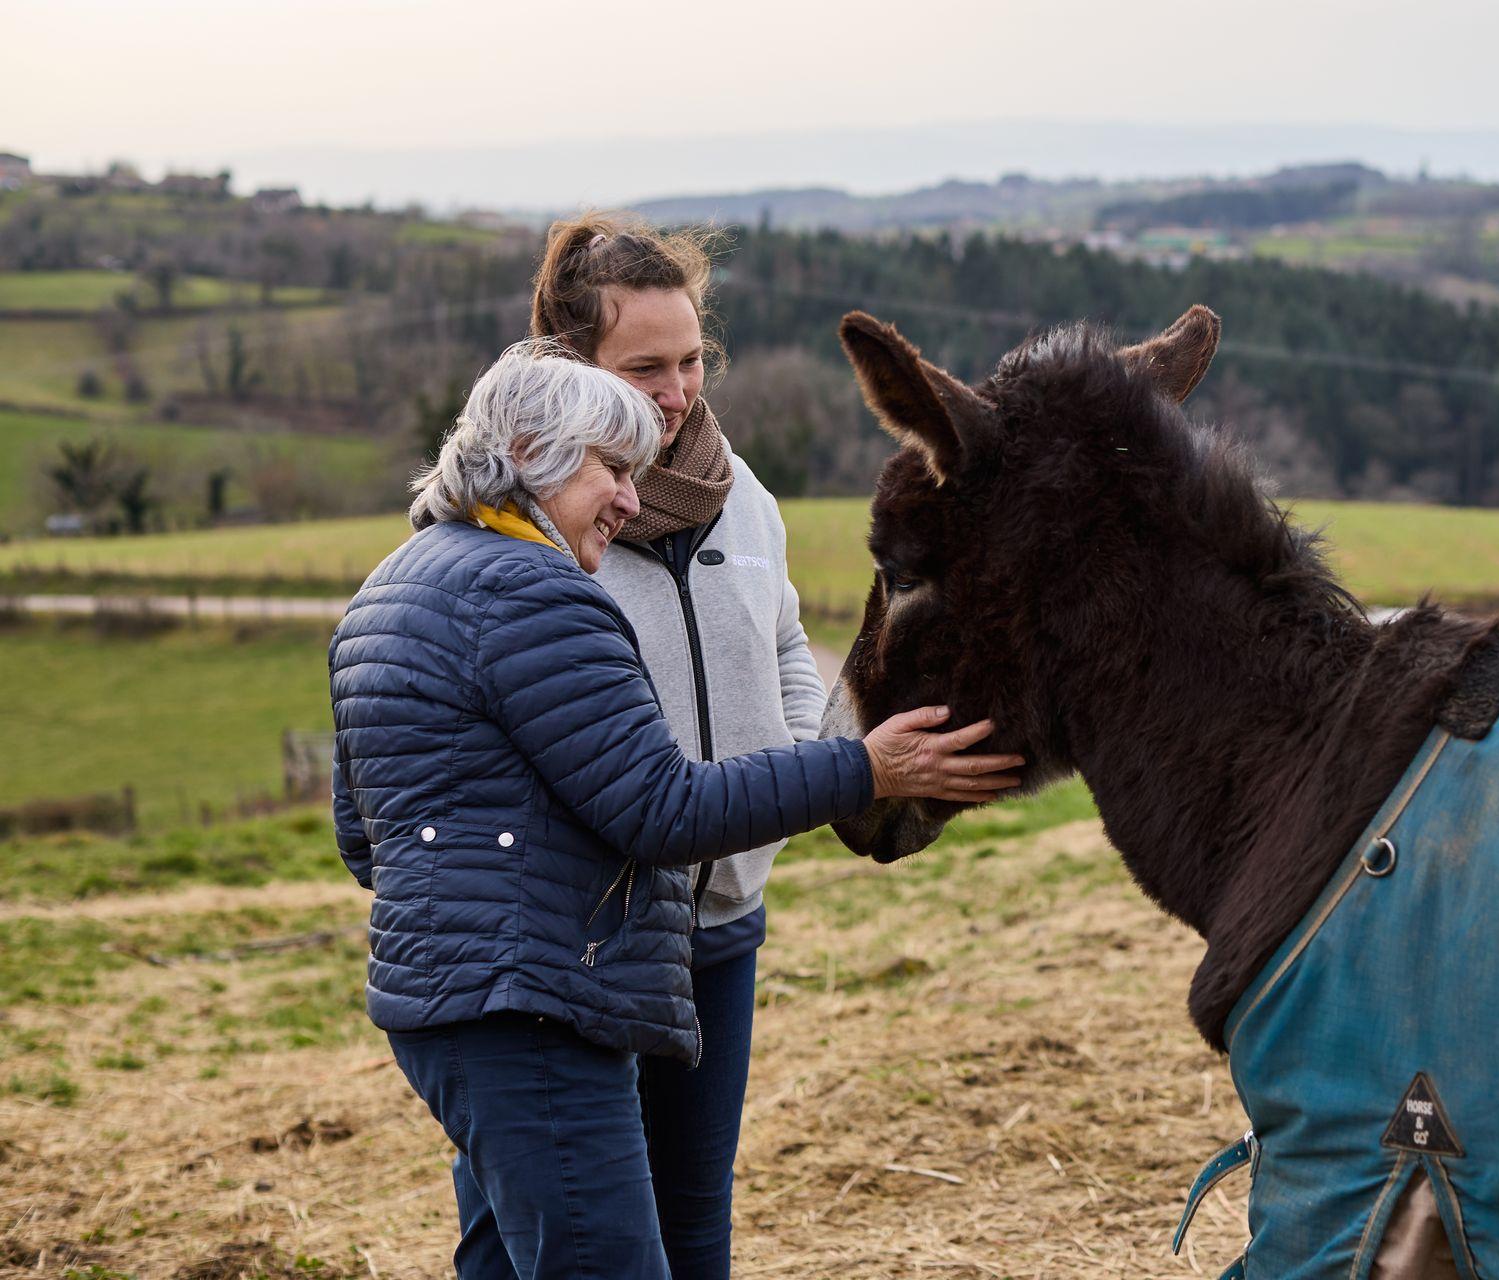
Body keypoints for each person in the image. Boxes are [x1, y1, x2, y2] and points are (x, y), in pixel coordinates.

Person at [329, 338, 1022, 1280]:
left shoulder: (392, 588)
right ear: (531, 452)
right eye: (612, 469)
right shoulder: (537, 596)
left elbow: (363, 837)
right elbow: (664, 808)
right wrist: (864, 769)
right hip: (537, 1009)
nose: (627, 497)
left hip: (450, 1009)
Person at [524, 214, 812, 1278]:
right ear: (571, 366)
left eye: (690, 359)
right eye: (644, 366)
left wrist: (783, 781)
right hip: (582, 938)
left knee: (696, 1222)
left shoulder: (747, 497)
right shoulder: (532, 515)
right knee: (562, 1233)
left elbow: (784, 638)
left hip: (723, 924)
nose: (678, 389)